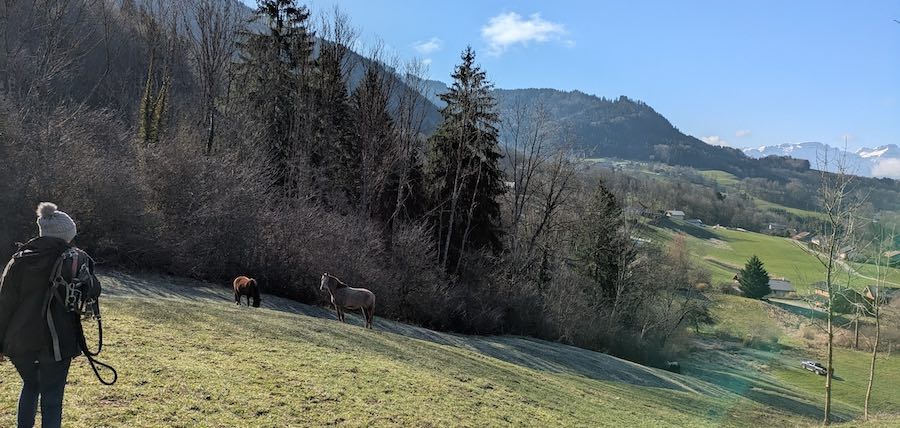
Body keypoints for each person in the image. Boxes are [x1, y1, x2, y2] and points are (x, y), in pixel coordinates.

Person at [0, 202, 87, 428]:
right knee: (52, 398)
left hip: (20, 342)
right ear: (66, 236)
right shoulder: (73, 261)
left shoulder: (19, 260)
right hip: (58, 343)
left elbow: (4, 305)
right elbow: (92, 292)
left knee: (31, 385)